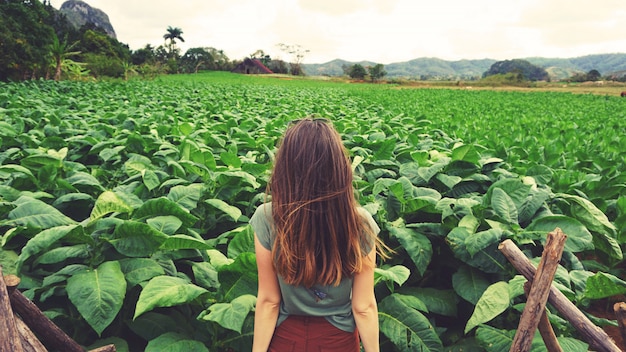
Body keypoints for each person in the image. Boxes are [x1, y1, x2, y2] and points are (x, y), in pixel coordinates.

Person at [249, 117, 386, 352]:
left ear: (285, 167)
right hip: (338, 340)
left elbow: (269, 301)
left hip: (285, 338)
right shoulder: (359, 222)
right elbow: (363, 307)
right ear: (339, 168)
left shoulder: (267, 216)